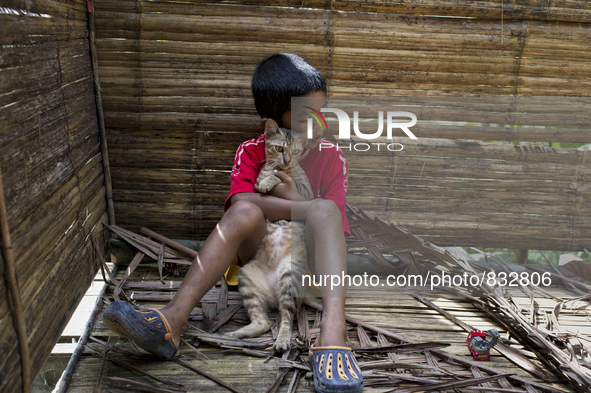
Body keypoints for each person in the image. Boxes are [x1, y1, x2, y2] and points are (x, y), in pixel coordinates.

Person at [103, 53, 364, 393]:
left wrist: (308, 207)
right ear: (271, 122)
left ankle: (334, 328)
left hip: (310, 268)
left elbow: (332, 223)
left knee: (327, 210)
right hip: (260, 258)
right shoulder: (252, 151)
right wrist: (306, 206)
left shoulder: (331, 156)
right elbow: (241, 203)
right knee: (245, 212)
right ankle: (174, 318)